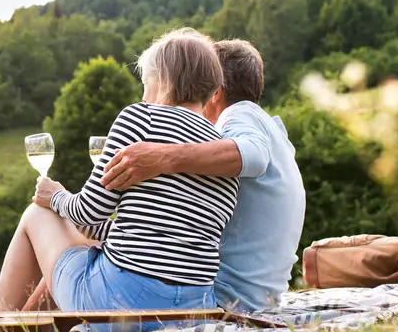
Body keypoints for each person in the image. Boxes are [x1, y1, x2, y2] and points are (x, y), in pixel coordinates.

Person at [0, 29, 239, 332]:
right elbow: (166, 236)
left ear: (162, 79)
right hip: (194, 308)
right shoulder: (219, 149)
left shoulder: (140, 118)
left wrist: (54, 196)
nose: (144, 94)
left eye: (146, 82)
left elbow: (87, 212)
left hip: (121, 303)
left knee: (36, 215)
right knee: (82, 240)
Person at [100, 39, 305, 313]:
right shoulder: (270, 129)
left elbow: (254, 155)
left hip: (227, 297)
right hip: (257, 297)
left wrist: (162, 157)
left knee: (80, 239)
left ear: (216, 93)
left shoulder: (238, 115)